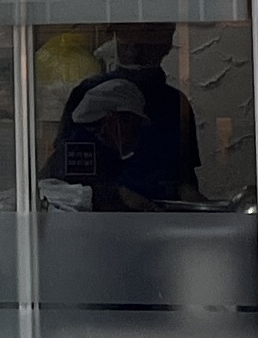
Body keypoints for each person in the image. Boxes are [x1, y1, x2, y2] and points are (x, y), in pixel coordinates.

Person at [54, 28, 201, 208]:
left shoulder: (174, 104)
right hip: (98, 218)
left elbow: (185, 180)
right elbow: (59, 181)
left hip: (160, 216)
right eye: (125, 43)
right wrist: (113, 195)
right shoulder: (86, 94)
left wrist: (201, 210)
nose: (133, 53)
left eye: (144, 44)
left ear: (165, 43)